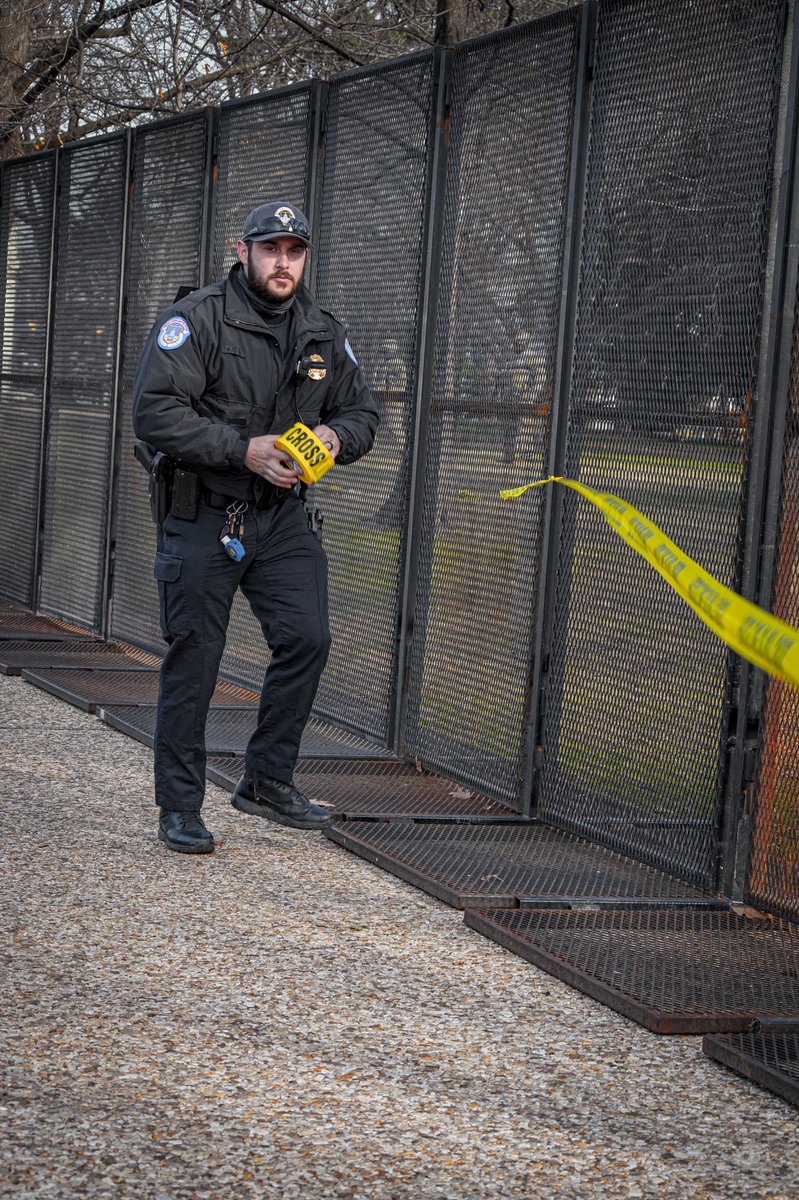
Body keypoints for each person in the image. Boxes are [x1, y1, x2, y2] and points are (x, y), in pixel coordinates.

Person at [132, 201, 379, 855]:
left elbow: (363, 413)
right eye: (270, 249)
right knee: (197, 660)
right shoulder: (198, 320)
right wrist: (241, 448)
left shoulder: (321, 331)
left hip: (281, 520)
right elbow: (154, 413)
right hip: (205, 512)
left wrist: (334, 433)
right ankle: (179, 807)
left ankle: (266, 780)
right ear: (241, 251)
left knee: (307, 638)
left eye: (294, 251)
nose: (283, 262)